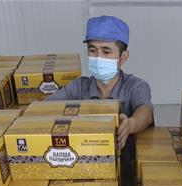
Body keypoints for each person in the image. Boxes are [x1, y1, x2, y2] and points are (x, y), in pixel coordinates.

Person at [47, 15, 153, 149]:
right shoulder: (78, 87)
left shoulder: (135, 86)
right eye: (92, 50)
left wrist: (130, 125)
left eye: (106, 51)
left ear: (123, 57)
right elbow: (45, 108)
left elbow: (146, 112)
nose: (97, 57)